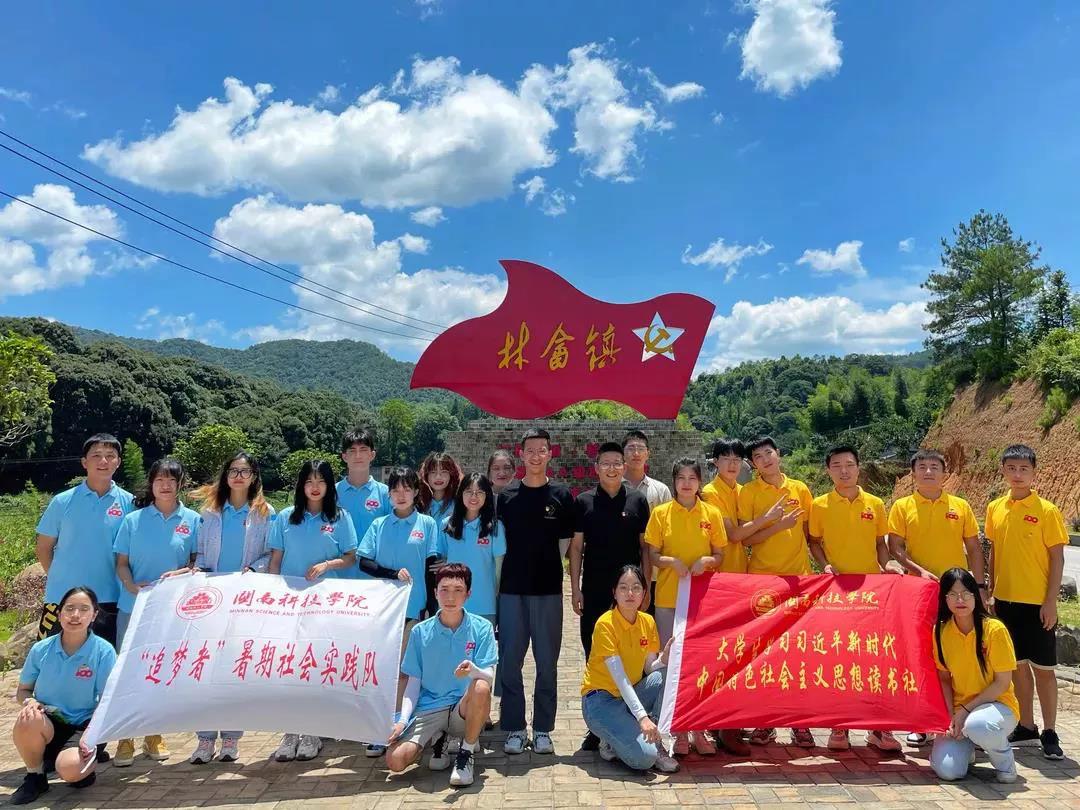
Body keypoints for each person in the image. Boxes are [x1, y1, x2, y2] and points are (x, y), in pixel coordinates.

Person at [807, 445, 902, 753]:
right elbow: (813, 541)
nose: (844, 471)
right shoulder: (819, 505)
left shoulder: (875, 503)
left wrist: (887, 564)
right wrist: (825, 565)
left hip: (872, 593)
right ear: (828, 470)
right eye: (836, 465)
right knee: (841, 658)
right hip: (837, 593)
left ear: (859, 468)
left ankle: (879, 728)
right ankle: (840, 725)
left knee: (874, 658)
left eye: (849, 464)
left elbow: (880, 543)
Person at [887, 448, 982, 747]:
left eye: (934, 467)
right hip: (918, 593)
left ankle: (964, 720)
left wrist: (979, 586)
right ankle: (922, 722)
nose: (928, 472)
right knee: (922, 655)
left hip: (957, 595)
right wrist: (920, 571)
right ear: (913, 472)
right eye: (922, 467)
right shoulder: (902, 506)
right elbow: (895, 547)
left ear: (945, 473)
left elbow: (974, 548)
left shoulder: (960, 506)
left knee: (958, 655)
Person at [188, 451, 276, 765]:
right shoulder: (209, 512)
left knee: (235, 668)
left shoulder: (265, 513)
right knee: (205, 668)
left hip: (244, 600)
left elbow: (270, 554)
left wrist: (254, 570)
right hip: (212, 600)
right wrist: (198, 570)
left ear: (254, 477)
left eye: (245, 471)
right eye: (233, 471)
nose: (239, 476)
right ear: (225, 476)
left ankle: (231, 737)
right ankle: (204, 738)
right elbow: (200, 553)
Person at [268, 458, 359, 763]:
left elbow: (350, 557)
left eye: (321, 481)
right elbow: (275, 561)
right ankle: (290, 731)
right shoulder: (285, 517)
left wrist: (327, 565)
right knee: (290, 667)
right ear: (301, 485)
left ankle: (313, 731)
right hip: (290, 604)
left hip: (326, 604)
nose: (315, 487)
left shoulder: (341, 517)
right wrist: (272, 597)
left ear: (330, 485)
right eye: (309, 481)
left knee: (316, 665)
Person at [113, 457, 200, 767]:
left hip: (172, 611)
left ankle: (153, 734)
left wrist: (182, 572)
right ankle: (125, 737)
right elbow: (121, 563)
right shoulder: (132, 521)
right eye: (159, 479)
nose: (165, 485)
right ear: (151, 484)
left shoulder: (193, 520)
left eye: (171, 480)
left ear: (180, 484)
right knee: (128, 671)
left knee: (159, 670)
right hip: (133, 607)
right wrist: (131, 586)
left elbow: (197, 563)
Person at [984, 444, 1067, 760]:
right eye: (1012, 468)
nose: (1017, 475)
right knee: (1017, 668)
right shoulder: (995, 508)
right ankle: (1027, 725)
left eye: (1024, 469)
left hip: (1037, 604)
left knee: (1044, 670)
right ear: (1003, 471)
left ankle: (1050, 731)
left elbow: (1057, 558)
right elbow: (994, 552)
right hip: (1005, 603)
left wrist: (1051, 601)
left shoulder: (1047, 511)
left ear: (1034, 473)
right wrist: (991, 591)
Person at [497, 427, 574, 756]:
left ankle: (542, 729)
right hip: (512, 590)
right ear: (521, 454)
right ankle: (515, 727)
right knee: (510, 661)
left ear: (549, 454)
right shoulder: (507, 497)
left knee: (547, 662)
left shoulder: (561, 495)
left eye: (542, 449)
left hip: (548, 591)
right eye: (530, 450)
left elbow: (565, 543)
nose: (536, 455)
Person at [569, 441, 650, 751]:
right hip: (594, 591)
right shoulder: (584, 502)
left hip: (630, 595)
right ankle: (598, 726)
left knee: (633, 658)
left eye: (617, 463)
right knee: (596, 656)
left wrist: (647, 588)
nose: (612, 468)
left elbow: (645, 549)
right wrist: (575, 589)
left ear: (625, 466)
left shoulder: (638, 500)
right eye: (606, 463)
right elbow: (577, 548)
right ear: (596, 468)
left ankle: (630, 720)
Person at [386, 563, 496, 788]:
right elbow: (413, 682)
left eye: (458, 590)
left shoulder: (482, 628)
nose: (450, 597)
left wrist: (473, 670)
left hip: (462, 709)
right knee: (395, 761)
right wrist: (402, 721)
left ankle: (466, 753)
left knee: (481, 686)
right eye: (444, 589)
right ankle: (438, 739)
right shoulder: (420, 631)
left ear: (468, 594)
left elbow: (489, 676)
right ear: (435, 592)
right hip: (429, 709)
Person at [644, 457, 726, 757]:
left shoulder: (712, 513)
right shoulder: (661, 513)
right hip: (668, 599)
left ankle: (699, 730)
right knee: (672, 665)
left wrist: (707, 561)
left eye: (692, 478)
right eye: (681, 478)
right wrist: (670, 561)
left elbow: (720, 555)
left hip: (702, 601)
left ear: (700, 482)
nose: (687, 483)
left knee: (701, 665)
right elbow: (652, 555)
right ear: (674, 482)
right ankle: (678, 731)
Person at [358, 466, 441, 757]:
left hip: (415, 609)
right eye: (395, 489)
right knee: (382, 670)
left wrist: (431, 607)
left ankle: (401, 724)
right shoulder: (379, 525)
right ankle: (378, 729)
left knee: (407, 672)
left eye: (407, 489)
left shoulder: (427, 524)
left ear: (416, 492)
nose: (401, 494)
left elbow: (431, 568)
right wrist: (392, 574)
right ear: (389, 494)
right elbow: (364, 562)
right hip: (383, 610)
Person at [737, 436, 814, 748]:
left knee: (798, 654)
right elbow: (746, 540)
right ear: (753, 464)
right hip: (762, 584)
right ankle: (764, 722)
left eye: (768, 453)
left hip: (799, 582)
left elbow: (810, 535)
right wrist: (777, 526)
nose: (765, 459)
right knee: (765, 655)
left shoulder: (800, 489)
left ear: (778, 454)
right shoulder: (749, 492)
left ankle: (800, 722)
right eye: (757, 456)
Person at [10, 586, 116, 805]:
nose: (75, 615)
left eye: (84, 609)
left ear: (94, 615)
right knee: (28, 718)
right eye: (69, 608)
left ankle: (83, 767)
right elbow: (23, 691)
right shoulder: (41, 649)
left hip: (84, 726)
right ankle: (35, 777)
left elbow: (108, 701)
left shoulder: (103, 651)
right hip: (49, 722)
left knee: (70, 770)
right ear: (59, 614)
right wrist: (30, 701)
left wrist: (91, 736)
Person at [35, 433, 133, 648]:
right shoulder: (62, 501)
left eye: (110, 455)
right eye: (96, 455)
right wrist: (60, 577)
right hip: (62, 597)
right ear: (84, 462)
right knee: (51, 656)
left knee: (103, 660)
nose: (103, 461)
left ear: (118, 462)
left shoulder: (130, 503)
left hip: (109, 598)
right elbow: (43, 547)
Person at [580, 565, 679, 774]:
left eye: (636, 587)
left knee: (666, 675)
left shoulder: (647, 621)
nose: (630, 593)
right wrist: (642, 717)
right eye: (623, 588)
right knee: (645, 759)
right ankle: (610, 739)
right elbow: (621, 679)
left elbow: (650, 668)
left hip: (628, 699)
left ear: (644, 592)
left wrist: (664, 659)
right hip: (600, 701)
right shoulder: (605, 624)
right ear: (614, 592)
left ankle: (656, 741)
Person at [931, 568, 1020, 783]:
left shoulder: (994, 630)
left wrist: (964, 712)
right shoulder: (940, 632)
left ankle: (1006, 765)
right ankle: (967, 747)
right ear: (944, 599)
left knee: (978, 725)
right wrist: (950, 716)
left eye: (966, 593)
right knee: (949, 771)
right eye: (952, 594)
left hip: (998, 707)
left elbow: (1002, 683)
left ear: (975, 596)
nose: (960, 600)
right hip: (961, 712)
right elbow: (944, 678)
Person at [438, 474, 505, 624]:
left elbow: (499, 568)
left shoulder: (495, 527)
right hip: (451, 603)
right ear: (460, 494)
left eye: (479, 492)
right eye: (468, 491)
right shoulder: (446, 525)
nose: (474, 496)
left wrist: (495, 594)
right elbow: (442, 561)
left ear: (487, 496)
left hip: (485, 604)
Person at [621, 430, 671, 617]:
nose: (636, 453)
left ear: (648, 454)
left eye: (640, 449)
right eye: (631, 448)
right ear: (623, 453)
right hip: (622, 571)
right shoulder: (614, 488)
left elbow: (668, 531)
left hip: (655, 574)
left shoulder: (661, 490)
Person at [337, 429, 390, 576]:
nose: (358, 455)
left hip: (374, 575)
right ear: (344, 456)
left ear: (372, 455)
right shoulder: (331, 493)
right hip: (337, 576)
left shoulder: (386, 493)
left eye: (363, 449)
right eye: (352, 450)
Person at [419, 451, 463, 530]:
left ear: (451, 475)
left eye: (444, 472)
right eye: (433, 472)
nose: (438, 477)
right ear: (426, 475)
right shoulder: (418, 504)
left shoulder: (459, 504)